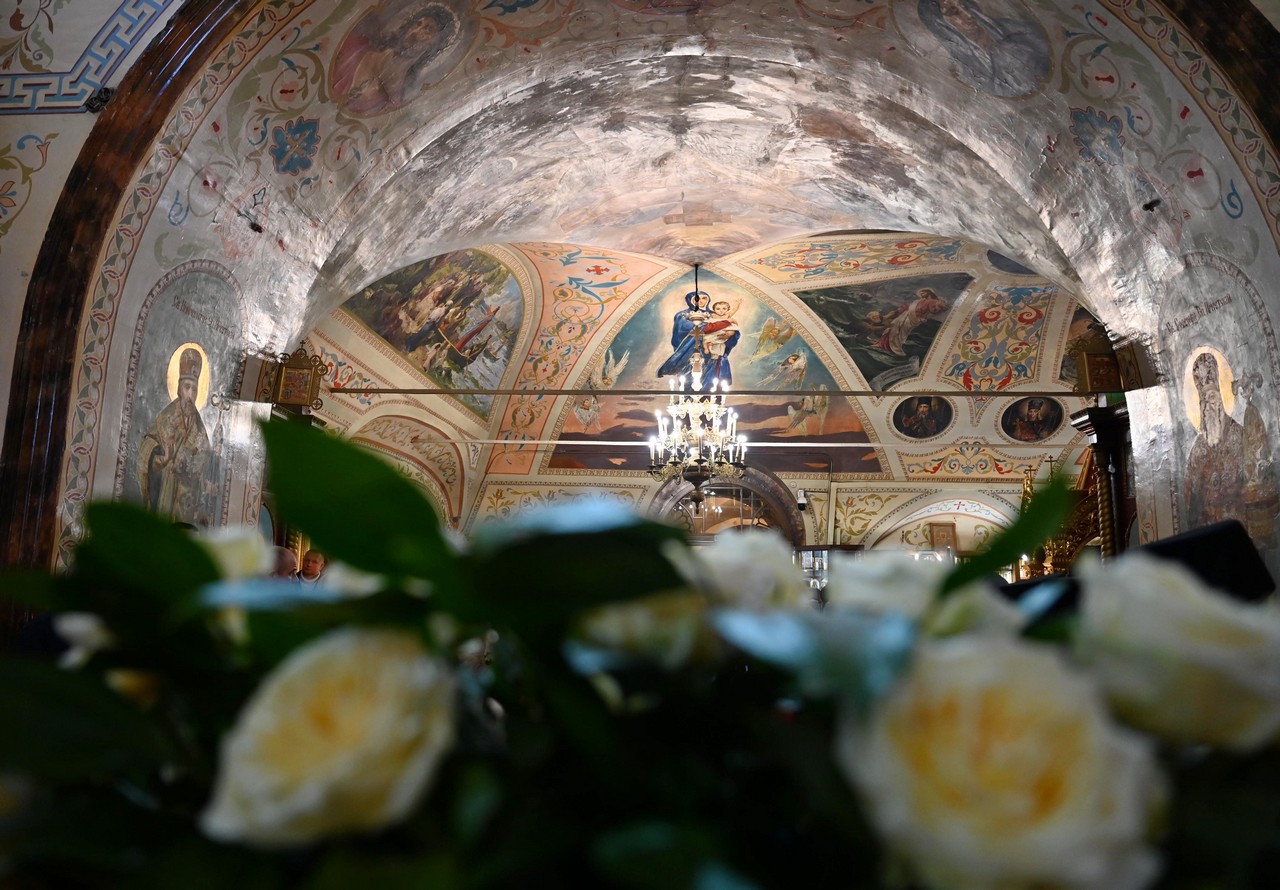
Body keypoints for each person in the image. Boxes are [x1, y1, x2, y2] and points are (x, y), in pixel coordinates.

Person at [136, 346, 212, 523]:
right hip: (165, 496)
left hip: (185, 505)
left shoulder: (199, 428)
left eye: (195, 389)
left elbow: (203, 464)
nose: (190, 395)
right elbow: (145, 451)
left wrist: (189, 468)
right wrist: (162, 459)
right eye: (187, 387)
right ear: (178, 388)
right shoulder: (166, 418)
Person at [1184, 352, 1246, 527]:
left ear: (1220, 399)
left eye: (1211, 397)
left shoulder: (1239, 435)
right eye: (1203, 401)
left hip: (1237, 525)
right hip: (1210, 528)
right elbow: (1190, 498)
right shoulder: (1197, 448)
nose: (1207, 407)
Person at [873, 288, 949, 356]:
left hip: (911, 321)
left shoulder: (934, 306)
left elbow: (925, 316)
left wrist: (919, 318)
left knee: (899, 334)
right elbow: (910, 306)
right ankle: (880, 344)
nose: (922, 295)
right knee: (892, 327)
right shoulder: (924, 300)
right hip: (905, 315)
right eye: (921, 293)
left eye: (924, 293)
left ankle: (893, 348)